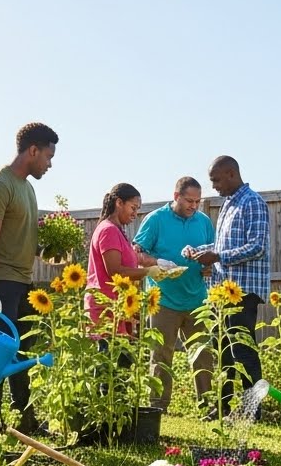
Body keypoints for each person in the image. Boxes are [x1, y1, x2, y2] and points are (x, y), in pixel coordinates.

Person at [0, 122, 58, 434]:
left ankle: (26, 420)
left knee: (24, 352)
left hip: (20, 281)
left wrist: (52, 249)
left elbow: (24, 238)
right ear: (32, 150)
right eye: (48, 156)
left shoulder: (28, 188)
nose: (49, 164)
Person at [189, 155, 270, 419]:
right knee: (222, 349)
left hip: (243, 291)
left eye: (215, 180)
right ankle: (223, 408)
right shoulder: (228, 205)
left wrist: (218, 257)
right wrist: (199, 251)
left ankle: (252, 409)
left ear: (231, 174)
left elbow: (257, 246)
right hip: (222, 292)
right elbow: (223, 249)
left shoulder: (252, 202)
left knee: (242, 349)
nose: (213, 186)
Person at [133, 176, 215, 413]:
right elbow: (137, 254)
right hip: (163, 300)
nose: (194, 206)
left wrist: (208, 267)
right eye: (189, 201)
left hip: (197, 299)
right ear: (176, 196)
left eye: (198, 201)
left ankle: (207, 407)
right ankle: (158, 407)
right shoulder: (155, 220)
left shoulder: (203, 222)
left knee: (203, 354)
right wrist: (157, 261)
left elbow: (211, 253)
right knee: (161, 355)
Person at [86, 182, 158, 331]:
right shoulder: (109, 230)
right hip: (105, 309)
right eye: (133, 208)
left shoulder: (117, 230)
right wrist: (149, 272)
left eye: (137, 209)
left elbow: (131, 259)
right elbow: (115, 271)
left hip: (117, 308)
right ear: (119, 202)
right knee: (110, 353)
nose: (135, 214)